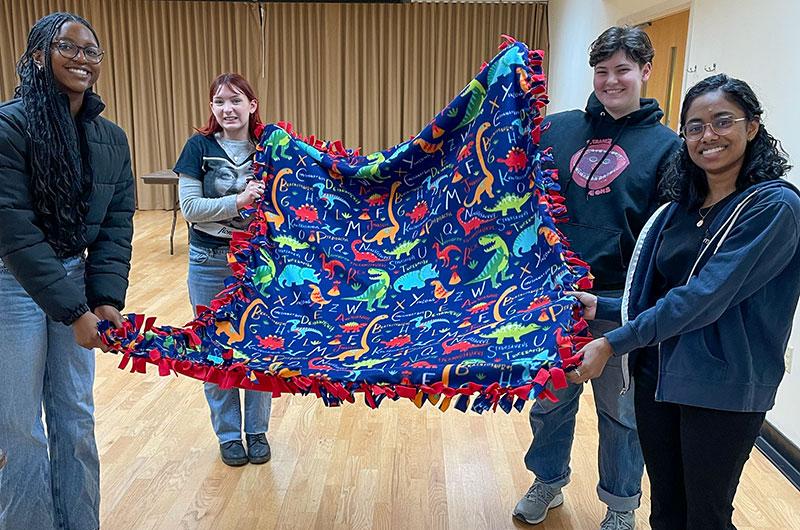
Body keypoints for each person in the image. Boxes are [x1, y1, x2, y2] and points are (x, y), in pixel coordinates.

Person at [571, 74, 800, 529]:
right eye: (694, 126)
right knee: (667, 511)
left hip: (720, 387)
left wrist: (613, 342)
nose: (707, 135)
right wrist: (605, 307)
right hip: (657, 376)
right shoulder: (678, 210)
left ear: (752, 126)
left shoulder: (774, 208)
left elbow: (703, 297)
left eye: (722, 121)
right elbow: (661, 292)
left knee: (706, 517)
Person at [513, 26, 681, 529]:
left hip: (618, 305)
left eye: (622, 70)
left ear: (645, 71)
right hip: (552, 297)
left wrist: (640, 307)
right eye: (602, 71)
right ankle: (547, 480)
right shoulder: (557, 130)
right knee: (549, 402)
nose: (611, 81)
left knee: (622, 413)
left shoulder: (669, 148)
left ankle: (621, 506)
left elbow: (663, 237)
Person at [0, 12, 134, 529]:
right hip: (12, 283)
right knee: (19, 427)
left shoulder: (111, 139)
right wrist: (74, 311)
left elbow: (115, 225)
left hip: (75, 279)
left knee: (76, 418)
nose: (83, 58)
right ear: (39, 56)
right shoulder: (8, 127)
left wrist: (104, 299)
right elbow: (14, 231)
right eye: (68, 47)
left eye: (91, 51)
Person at [175, 73, 272, 467]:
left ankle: (257, 431)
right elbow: (190, 209)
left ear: (252, 105)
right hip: (209, 262)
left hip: (258, 265)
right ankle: (229, 435)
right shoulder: (198, 147)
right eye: (219, 102)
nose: (227, 109)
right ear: (212, 107)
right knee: (215, 350)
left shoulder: (268, 148)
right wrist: (240, 200)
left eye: (235, 100)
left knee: (259, 348)